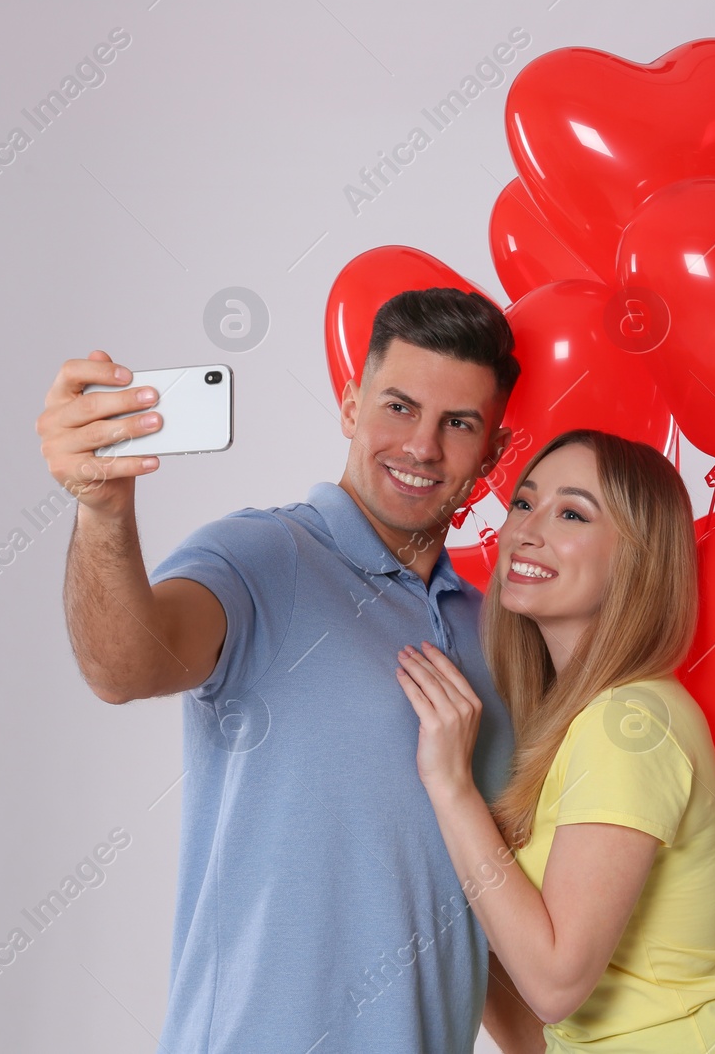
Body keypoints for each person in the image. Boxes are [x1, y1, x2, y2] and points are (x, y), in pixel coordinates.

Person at [35, 288, 550, 1053]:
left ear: (494, 451)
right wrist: (105, 514)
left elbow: (479, 917)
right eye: (398, 406)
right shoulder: (263, 557)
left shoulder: (499, 637)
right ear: (349, 405)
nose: (422, 446)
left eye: (459, 423)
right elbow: (123, 664)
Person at [393, 428, 715, 1052]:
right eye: (524, 504)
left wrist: (451, 789)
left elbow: (555, 985)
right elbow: (542, 1007)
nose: (526, 530)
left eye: (573, 513)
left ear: (636, 559)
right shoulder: (577, 722)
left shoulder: (626, 724)